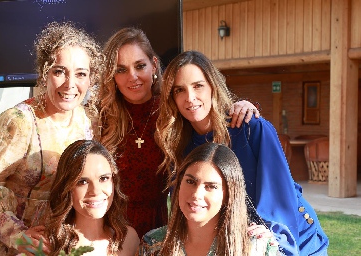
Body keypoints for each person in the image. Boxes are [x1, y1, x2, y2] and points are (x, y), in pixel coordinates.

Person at [155, 50, 329, 255]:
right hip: (233, 240)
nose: (190, 98)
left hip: (291, 237)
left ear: (213, 86)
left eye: (198, 86)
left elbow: (280, 192)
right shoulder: (179, 146)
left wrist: (272, 232)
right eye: (179, 90)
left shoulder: (250, 127)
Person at [0, 21, 104, 255]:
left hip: (51, 244)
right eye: (59, 71)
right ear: (44, 74)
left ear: (91, 79)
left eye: (80, 74)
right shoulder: (18, 123)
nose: (70, 84)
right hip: (5, 245)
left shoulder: (88, 121)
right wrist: (17, 235)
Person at [97, 27, 259, 238]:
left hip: (158, 226)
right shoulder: (101, 116)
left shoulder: (174, 111)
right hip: (108, 224)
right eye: (121, 69)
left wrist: (241, 106)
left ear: (154, 65)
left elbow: (206, 115)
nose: (132, 76)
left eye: (140, 66)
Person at [137, 143, 281, 255]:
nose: (196, 194)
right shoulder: (153, 244)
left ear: (228, 195)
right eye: (190, 181)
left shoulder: (256, 247)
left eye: (211, 186)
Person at [46, 140, 139, 256]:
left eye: (104, 178)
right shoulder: (47, 245)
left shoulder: (129, 239)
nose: (95, 191)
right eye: (83, 182)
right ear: (67, 188)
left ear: (114, 182)